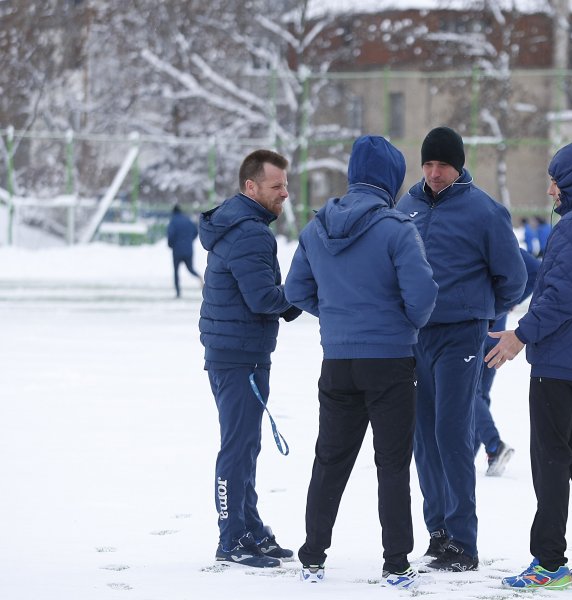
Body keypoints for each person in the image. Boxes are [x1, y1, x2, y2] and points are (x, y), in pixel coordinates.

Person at [284, 136, 438, 588]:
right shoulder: (397, 229)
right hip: (389, 361)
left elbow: (296, 292)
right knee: (391, 463)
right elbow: (423, 297)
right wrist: (399, 324)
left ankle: (312, 555)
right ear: (391, 179)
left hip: (337, 361)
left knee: (329, 459)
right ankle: (395, 563)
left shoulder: (315, 229)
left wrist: (336, 316)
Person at [485, 143, 572, 589]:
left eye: (556, 182)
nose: (550, 190)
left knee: (551, 460)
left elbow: (562, 298)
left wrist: (519, 336)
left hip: (559, 365)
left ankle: (548, 562)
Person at [396, 126, 527, 572]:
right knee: (424, 437)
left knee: (453, 433)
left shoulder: (485, 212)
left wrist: (484, 310)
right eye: (428, 164)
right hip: (415, 336)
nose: (434, 172)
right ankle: (438, 531)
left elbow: (513, 277)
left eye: (443, 165)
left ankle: (463, 541)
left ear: (459, 164)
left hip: (462, 335)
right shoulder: (406, 207)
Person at [199, 149, 302, 569]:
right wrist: (303, 291)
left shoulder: (241, 223)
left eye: (286, 185)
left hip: (238, 351)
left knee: (247, 443)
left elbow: (260, 295)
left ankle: (250, 526)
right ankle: (232, 537)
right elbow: (264, 299)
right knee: (238, 446)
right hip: (238, 354)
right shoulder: (250, 232)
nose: (285, 194)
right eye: (277, 186)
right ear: (251, 187)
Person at [473, 247, 540, 477]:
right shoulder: (500, 240)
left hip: (474, 329)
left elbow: (535, 271)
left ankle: (493, 445)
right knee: (479, 394)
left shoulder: (470, 235)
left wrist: (507, 302)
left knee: (468, 393)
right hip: (496, 331)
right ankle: (471, 451)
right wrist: (508, 301)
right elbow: (535, 270)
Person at [166, 204, 202, 297]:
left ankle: (178, 292)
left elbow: (170, 234)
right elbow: (195, 231)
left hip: (177, 251)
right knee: (190, 268)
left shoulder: (173, 221)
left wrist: (170, 244)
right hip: (188, 249)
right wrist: (189, 240)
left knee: (176, 271)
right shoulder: (187, 220)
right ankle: (199, 278)